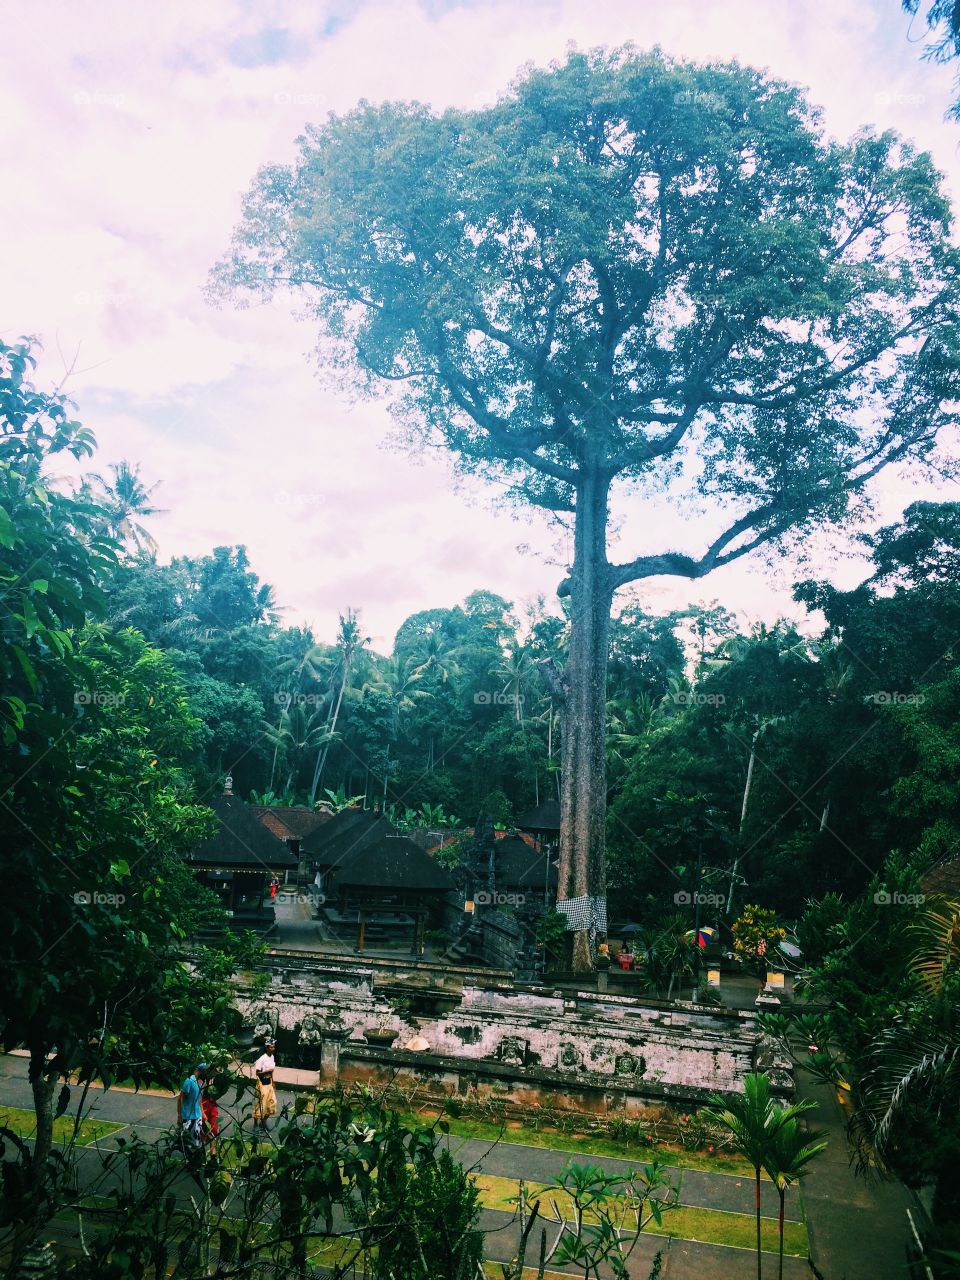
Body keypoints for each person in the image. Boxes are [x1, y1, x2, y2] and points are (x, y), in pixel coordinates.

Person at [178, 1063, 206, 1150]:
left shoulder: (201, 1083)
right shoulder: (189, 1081)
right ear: (200, 1071)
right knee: (187, 1141)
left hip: (197, 1116)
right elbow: (180, 1099)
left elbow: (199, 1099)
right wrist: (179, 1115)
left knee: (198, 1139)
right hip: (188, 1116)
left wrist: (203, 1113)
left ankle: (196, 1157)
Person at [253, 1039, 278, 1134]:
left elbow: (272, 1071)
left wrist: (273, 1081)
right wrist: (267, 1072)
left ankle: (263, 1122)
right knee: (261, 1104)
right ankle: (255, 1124)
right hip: (262, 1083)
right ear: (267, 1048)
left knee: (272, 1103)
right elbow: (257, 1072)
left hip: (269, 1083)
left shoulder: (272, 1057)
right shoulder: (262, 1059)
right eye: (271, 1047)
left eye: (274, 1047)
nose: (273, 1049)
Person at [201, 1069, 220, 1158]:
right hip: (204, 1104)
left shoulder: (219, 1080)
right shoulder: (206, 1079)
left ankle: (213, 1153)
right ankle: (200, 1153)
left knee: (214, 1129)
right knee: (203, 1128)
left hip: (212, 1106)